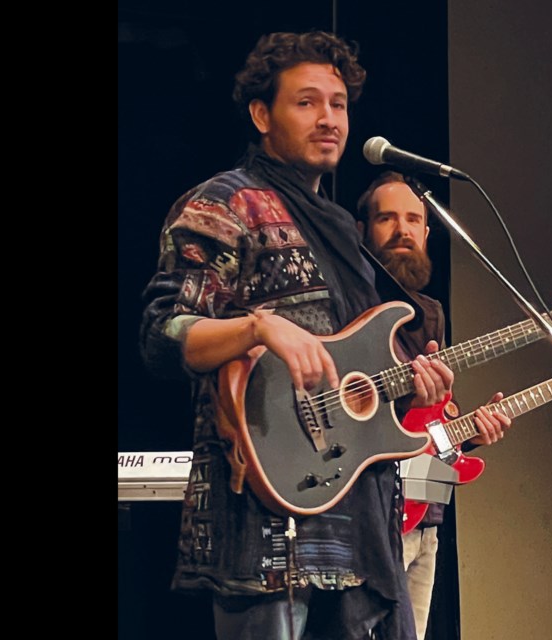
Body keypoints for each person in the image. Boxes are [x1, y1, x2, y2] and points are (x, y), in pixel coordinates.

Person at [139, 32, 456, 640]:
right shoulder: (224, 203)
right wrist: (259, 325)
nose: (329, 119)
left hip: (357, 521)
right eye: (307, 103)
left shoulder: (343, 232)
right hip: (262, 523)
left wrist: (410, 391)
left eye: (338, 104)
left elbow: (352, 380)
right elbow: (162, 334)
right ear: (262, 114)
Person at [355, 171, 512, 640]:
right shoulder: (351, 307)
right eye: (387, 218)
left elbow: (428, 422)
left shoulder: (430, 313)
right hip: (370, 521)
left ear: (427, 232)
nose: (402, 229)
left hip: (426, 515)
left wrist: (467, 428)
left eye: (413, 219)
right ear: (362, 230)